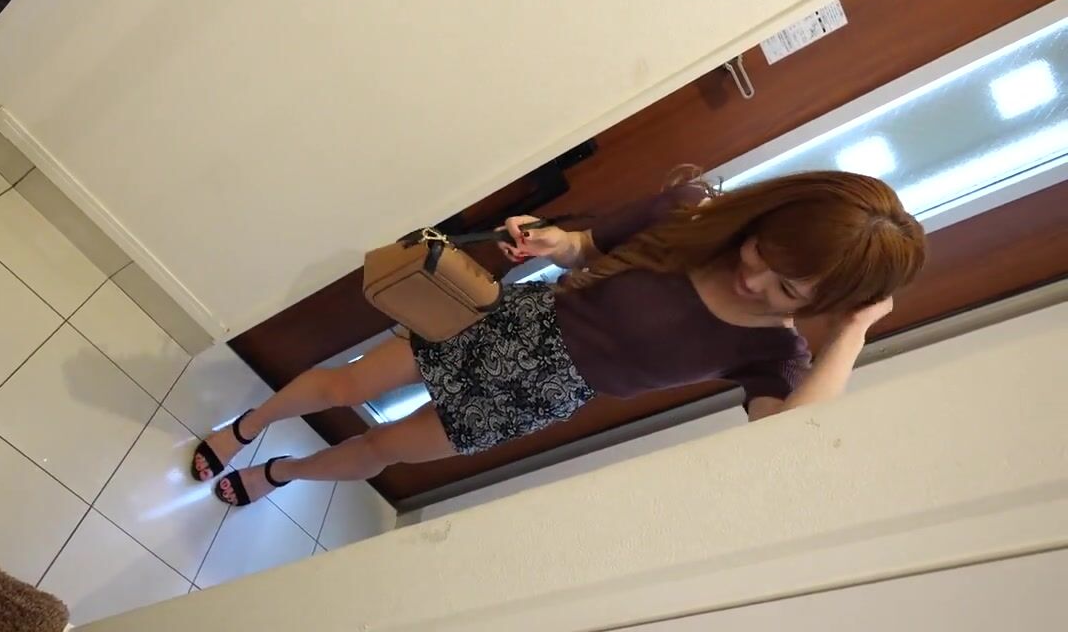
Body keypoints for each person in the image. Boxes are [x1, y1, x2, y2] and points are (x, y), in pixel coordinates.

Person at [191, 166, 927, 506]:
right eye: (762, 253)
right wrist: (555, 243)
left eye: (789, 290)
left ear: (827, 301)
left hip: (543, 395)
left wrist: (853, 333)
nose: (755, 281)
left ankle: (281, 474)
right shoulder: (689, 216)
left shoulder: (772, 351)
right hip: (509, 321)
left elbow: (791, 441)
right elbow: (587, 247)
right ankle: (247, 427)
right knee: (347, 383)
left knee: (384, 449)